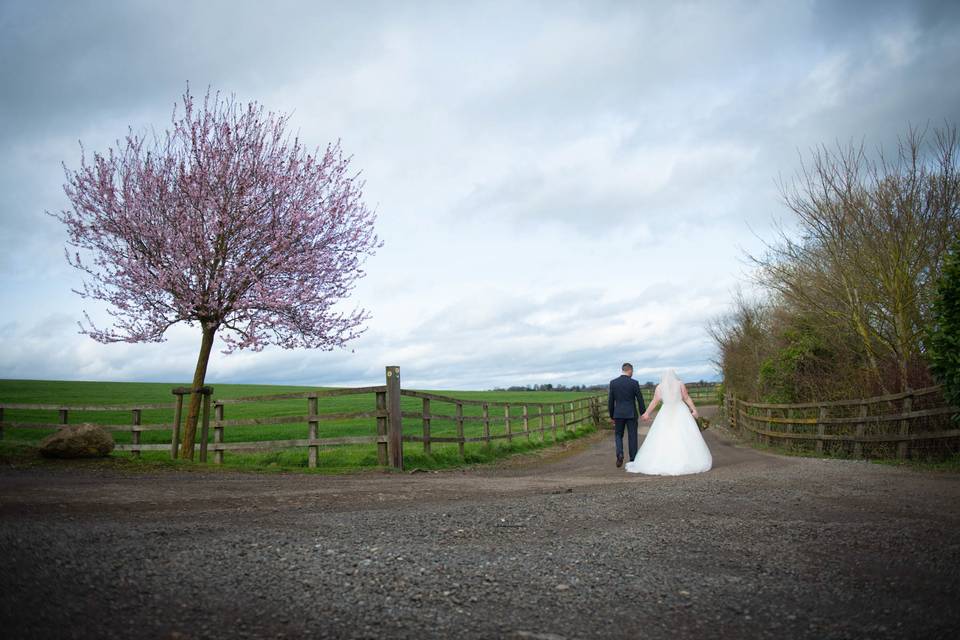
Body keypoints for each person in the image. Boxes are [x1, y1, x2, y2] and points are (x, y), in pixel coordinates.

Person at [625, 369, 712, 476]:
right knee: (683, 434)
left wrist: (647, 413)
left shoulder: (660, 387)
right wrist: (694, 409)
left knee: (665, 434)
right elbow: (686, 397)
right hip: (681, 410)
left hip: (665, 411)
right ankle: (688, 460)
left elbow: (655, 401)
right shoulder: (680, 384)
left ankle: (665, 460)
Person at [608, 362, 646, 467]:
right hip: (631, 413)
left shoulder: (613, 383)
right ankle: (633, 459)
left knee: (618, 435)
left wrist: (611, 415)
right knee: (632, 436)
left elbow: (611, 401)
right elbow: (640, 399)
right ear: (629, 370)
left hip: (618, 414)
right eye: (632, 371)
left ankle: (619, 453)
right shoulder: (634, 383)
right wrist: (643, 413)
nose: (632, 373)